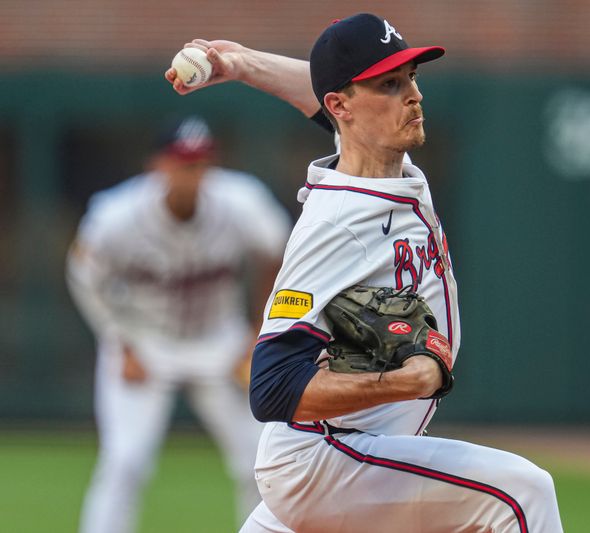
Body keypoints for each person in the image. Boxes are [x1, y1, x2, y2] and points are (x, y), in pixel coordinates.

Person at [167, 13, 564, 533]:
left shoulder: (390, 169)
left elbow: (327, 98)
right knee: (521, 494)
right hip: (324, 458)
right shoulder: (334, 225)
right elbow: (271, 387)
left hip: (348, 452)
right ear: (344, 107)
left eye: (411, 77)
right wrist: (402, 381)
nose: (414, 95)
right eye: (391, 85)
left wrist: (242, 64)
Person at [66, 115, 294, 533]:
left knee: (261, 462)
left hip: (219, 343)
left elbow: (279, 254)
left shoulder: (239, 200)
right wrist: (120, 341)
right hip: (144, 341)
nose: (193, 173)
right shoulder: (116, 214)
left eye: (202, 162)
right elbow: (84, 275)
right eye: (183, 162)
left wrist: (258, 335)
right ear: (158, 166)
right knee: (125, 462)